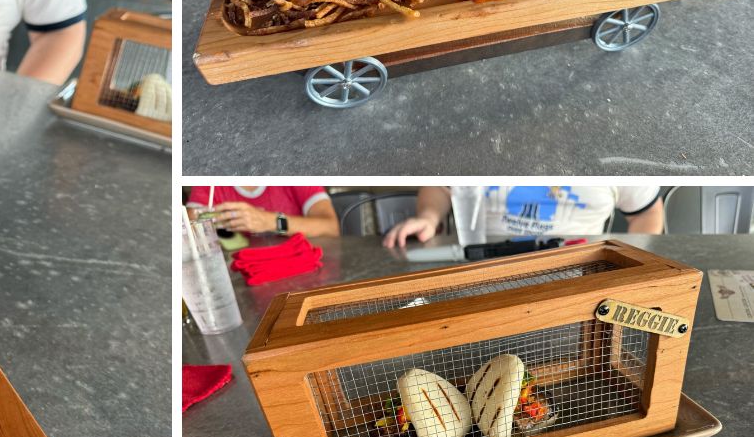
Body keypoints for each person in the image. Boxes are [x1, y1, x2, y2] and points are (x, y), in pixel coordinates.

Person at [383, 185, 664, 248]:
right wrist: (429, 217)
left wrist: (631, 256)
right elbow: (440, 187)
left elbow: (647, 213)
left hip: (579, 277)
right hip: (480, 272)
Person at [186, 186, 339, 238]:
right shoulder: (208, 185)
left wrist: (271, 221)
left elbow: (331, 227)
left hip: (301, 270)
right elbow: (189, 229)